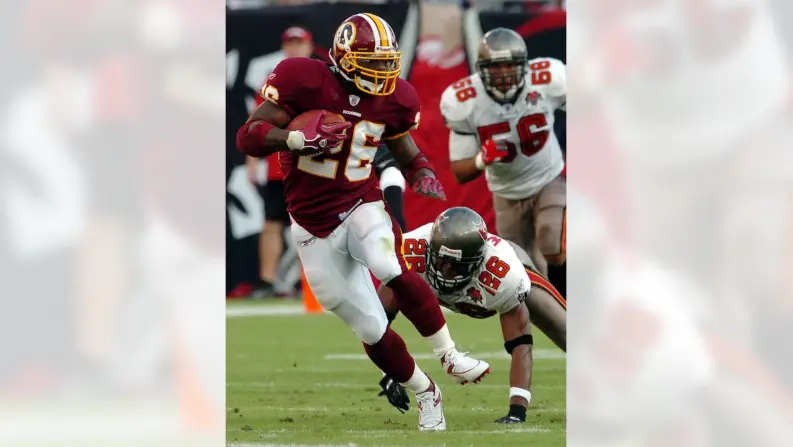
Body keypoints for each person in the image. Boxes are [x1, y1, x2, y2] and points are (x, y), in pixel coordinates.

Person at [236, 13, 491, 431]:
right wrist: (294, 139)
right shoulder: (304, 79)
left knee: (390, 265)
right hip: (311, 225)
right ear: (344, 59)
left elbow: (401, 142)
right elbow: (248, 134)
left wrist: (420, 169)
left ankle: (450, 354)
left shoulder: (396, 98)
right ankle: (426, 391)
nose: (384, 71)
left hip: (360, 201)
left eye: (388, 62)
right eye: (374, 63)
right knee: (371, 327)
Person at [376, 207, 566, 424]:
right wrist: (388, 372)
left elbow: (521, 344)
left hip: (514, 263)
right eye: (441, 261)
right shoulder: (410, 251)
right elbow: (378, 324)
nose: (444, 272)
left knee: (563, 327)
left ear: (476, 262)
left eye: (455, 266)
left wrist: (517, 412)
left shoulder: (504, 276)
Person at [440, 28, 567, 296]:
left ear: (523, 64)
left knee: (553, 244)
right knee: (520, 271)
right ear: (481, 69)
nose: (505, 73)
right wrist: (480, 159)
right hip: (506, 192)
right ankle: (550, 322)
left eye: (510, 65)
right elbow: (459, 171)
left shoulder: (547, 79)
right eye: (496, 66)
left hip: (548, 178)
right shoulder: (465, 100)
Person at [247, 26, 315, 299]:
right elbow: (255, 125)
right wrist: (252, 160)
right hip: (279, 165)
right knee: (272, 222)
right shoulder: (272, 84)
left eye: (300, 43)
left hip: (312, 164)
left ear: (309, 47)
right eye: (291, 44)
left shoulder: (322, 80)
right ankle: (268, 280)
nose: (295, 48)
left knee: (311, 224)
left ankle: (308, 281)